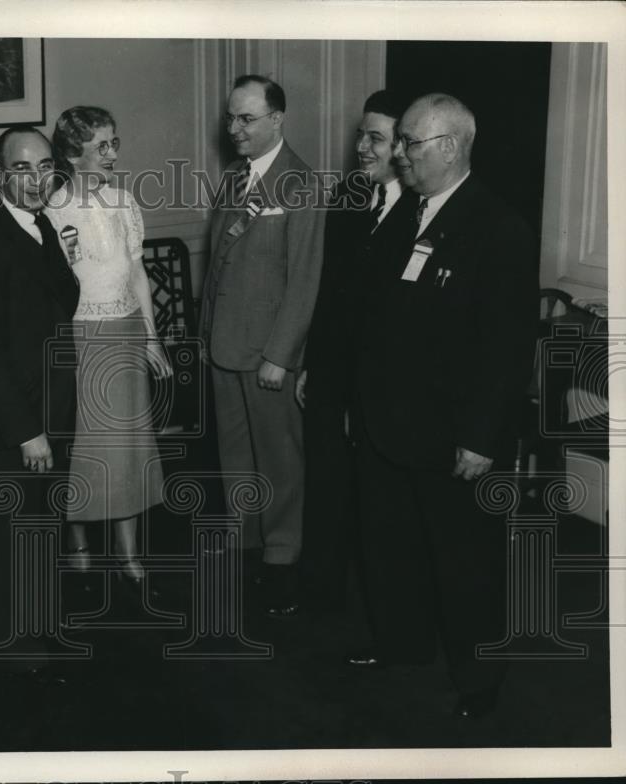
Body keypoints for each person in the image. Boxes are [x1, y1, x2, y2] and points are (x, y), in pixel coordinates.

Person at [347, 93, 538, 719]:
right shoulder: (406, 216)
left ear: (451, 147)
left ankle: (479, 683)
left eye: (411, 143)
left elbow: (505, 350)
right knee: (392, 546)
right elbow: (377, 323)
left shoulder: (498, 228)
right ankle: (403, 646)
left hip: (456, 434)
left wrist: (481, 437)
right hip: (391, 426)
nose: (398, 153)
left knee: (466, 563)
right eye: (399, 141)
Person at [199, 74, 326, 617]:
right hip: (225, 343)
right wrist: (204, 333)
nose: (234, 128)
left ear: (277, 119)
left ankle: (281, 560)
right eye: (231, 117)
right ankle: (244, 543)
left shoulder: (302, 183)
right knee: (235, 457)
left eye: (246, 118)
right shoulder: (233, 177)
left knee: (278, 461)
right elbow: (216, 264)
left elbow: (305, 279)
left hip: (268, 354)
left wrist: (282, 355)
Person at [0, 126, 80, 678]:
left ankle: (41, 626)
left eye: (45, 166)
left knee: (42, 525)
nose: (37, 180)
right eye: (23, 169)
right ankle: (15, 644)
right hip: (15, 422)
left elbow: (61, 301)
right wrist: (26, 430)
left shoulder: (41, 225)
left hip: (50, 408)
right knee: (10, 534)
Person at [296, 89, 416, 611]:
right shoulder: (346, 194)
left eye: (376, 138)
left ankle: (378, 609)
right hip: (329, 370)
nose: (362, 147)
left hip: (379, 382)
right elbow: (327, 289)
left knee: (375, 500)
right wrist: (310, 362)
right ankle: (319, 596)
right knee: (324, 483)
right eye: (360, 135)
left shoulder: (419, 209)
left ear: (404, 146)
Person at [45, 106, 172, 594]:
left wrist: (151, 337)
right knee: (84, 448)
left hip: (124, 332)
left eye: (115, 142)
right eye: (102, 146)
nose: (113, 153)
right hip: (80, 337)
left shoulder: (123, 202)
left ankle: (128, 552)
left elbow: (137, 273)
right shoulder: (53, 208)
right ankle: (77, 543)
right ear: (73, 154)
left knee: (129, 446)